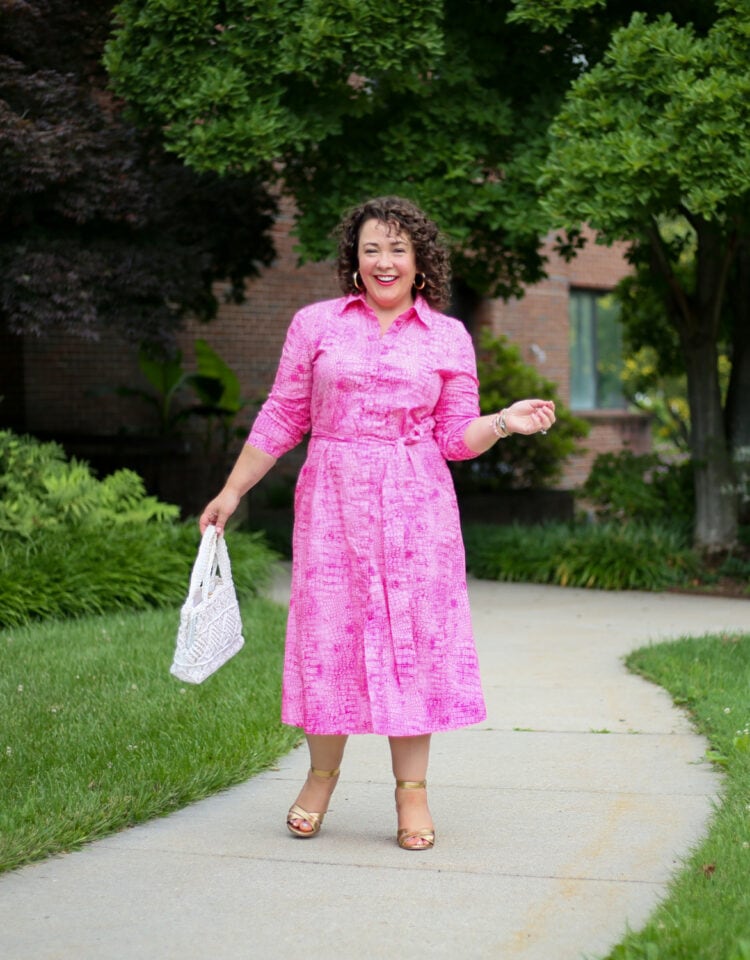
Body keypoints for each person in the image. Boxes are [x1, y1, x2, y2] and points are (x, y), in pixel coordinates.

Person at [199, 196, 555, 851]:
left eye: (397, 248)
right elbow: (283, 415)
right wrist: (232, 490)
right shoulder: (316, 325)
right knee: (328, 637)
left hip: (417, 506)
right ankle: (320, 780)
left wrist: (503, 421)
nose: (384, 261)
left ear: (420, 260)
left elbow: (455, 436)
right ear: (354, 260)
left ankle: (411, 796)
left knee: (410, 645)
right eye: (371, 249)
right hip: (332, 501)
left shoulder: (447, 336)